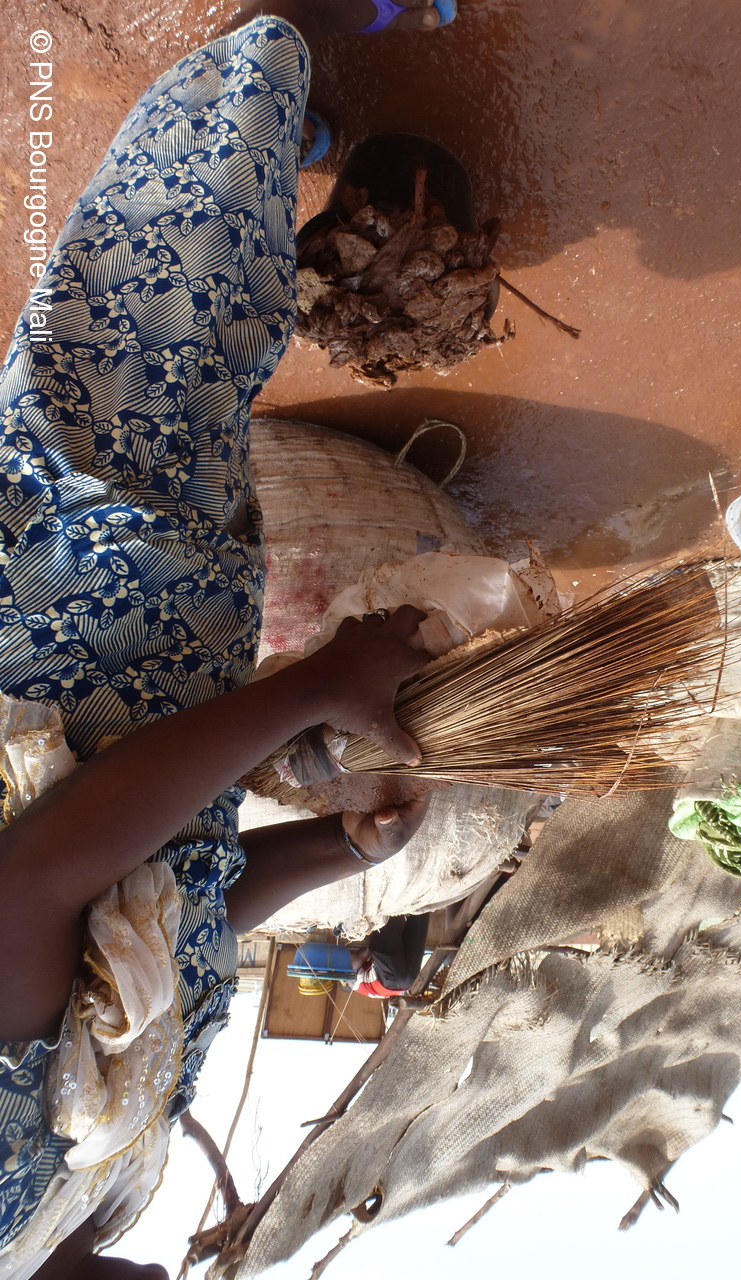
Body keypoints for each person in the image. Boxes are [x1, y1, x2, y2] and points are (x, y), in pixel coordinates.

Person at [0, 1, 457, 1277]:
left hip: (76, 605)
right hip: (167, 643)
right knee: (208, 331)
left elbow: (32, 881)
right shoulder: (93, 1197)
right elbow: (160, 933)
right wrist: (332, 850)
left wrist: (322, 684)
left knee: (163, 289)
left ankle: (254, 78)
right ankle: (261, 124)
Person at [350, 913, 432, 997]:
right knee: (388, 919)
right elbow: (362, 955)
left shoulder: (369, 990)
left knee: (419, 921)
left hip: (410, 982)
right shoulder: (351, 982)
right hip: (389, 979)